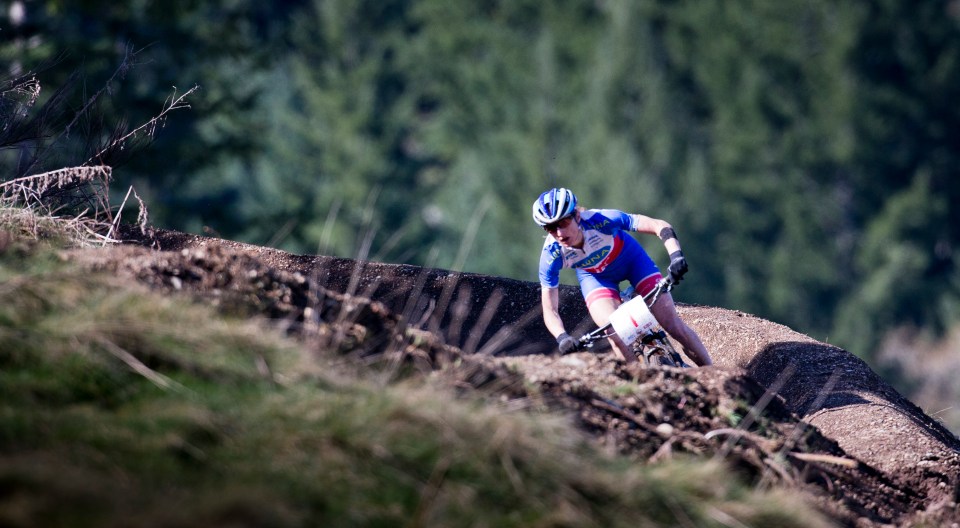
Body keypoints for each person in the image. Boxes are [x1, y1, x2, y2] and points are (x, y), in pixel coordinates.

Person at [533, 187, 713, 367]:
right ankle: (640, 383)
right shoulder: (551, 255)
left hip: (633, 262)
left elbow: (659, 225)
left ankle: (713, 373)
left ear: (577, 216)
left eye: (563, 223)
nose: (559, 233)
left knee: (673, 325)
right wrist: (562, 337)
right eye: (550, 228)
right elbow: (550, 309)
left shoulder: (601, 220)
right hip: (596, 279)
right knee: (614, 334)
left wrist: (676, 256)